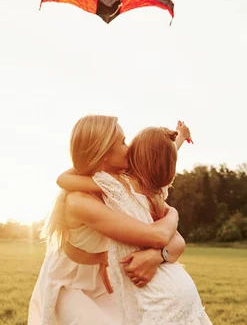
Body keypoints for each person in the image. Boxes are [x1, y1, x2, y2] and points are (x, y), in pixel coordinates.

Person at [28, 115, 186, 325]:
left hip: (108, 279)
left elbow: (157, 158)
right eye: (122, 142)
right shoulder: (82, 199)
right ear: (103, 154)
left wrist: (157, 256)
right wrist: (172, 214)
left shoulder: (128, 185)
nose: (129, 147)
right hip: (72, 284)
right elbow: (160, 235)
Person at [57, 123, 213, 324]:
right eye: (123, 142)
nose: (128, 148)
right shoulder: (155, 191)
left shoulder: (117, 186)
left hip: (158, 301)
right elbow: (160, 158)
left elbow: (63, 180)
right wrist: (179, 138)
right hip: (183, 291)